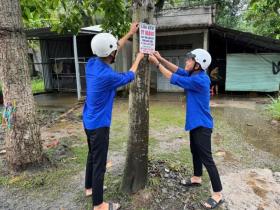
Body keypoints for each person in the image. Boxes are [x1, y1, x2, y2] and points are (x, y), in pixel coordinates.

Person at [148, 49, 224, 209]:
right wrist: (161, 59)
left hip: (202, 125)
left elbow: (172, 77)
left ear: (197, 65)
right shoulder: (193, 74)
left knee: (207, 159)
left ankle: (217, 194)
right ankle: (197, 177)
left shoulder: (200, 80)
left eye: (189, 60)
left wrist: (156, 65)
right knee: (194, 151)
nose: (186, 62)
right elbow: (177, 70)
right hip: (195, 123)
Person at [83, 22, 144, 210]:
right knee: (99, 163)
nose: (115, 51)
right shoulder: (107, 77)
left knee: (92, 155)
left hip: (88, 120)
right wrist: (139, 58)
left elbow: (114, 45)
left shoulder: (92, 63)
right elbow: (129, 76)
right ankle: (99, 205)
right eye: (114, 51)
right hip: (99, 124)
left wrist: (130, 32)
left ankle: (89, 187)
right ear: (110, 54)